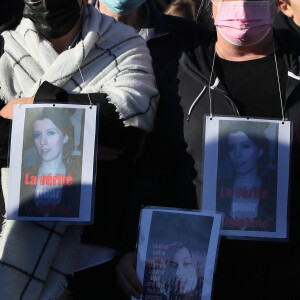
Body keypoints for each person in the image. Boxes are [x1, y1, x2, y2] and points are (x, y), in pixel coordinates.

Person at [116, 0, 300, 298]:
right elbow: (156, 168)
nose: (241, 7)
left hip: (288, 276)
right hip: (202, 278)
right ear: (211, 5)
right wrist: (131, 245)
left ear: (274, 4)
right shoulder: (181, 73)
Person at [0, 0, 157, 298]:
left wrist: (29, 108)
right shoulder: (4, 49)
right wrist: (80, 137)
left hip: (99, 258)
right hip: (11, 240)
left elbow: (126, 122)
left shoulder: (124, 42)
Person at [18, 107, 82, 218]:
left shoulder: (79, 176)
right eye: (37, 135)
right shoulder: (22, 176)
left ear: (65, 137)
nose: (42, 142)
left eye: (50, 133)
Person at [216, 121, 277, 231]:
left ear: (260, 150)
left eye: (245, 146)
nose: (237, 155)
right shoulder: (217, 189)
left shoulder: (275, 191)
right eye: (232, 148)